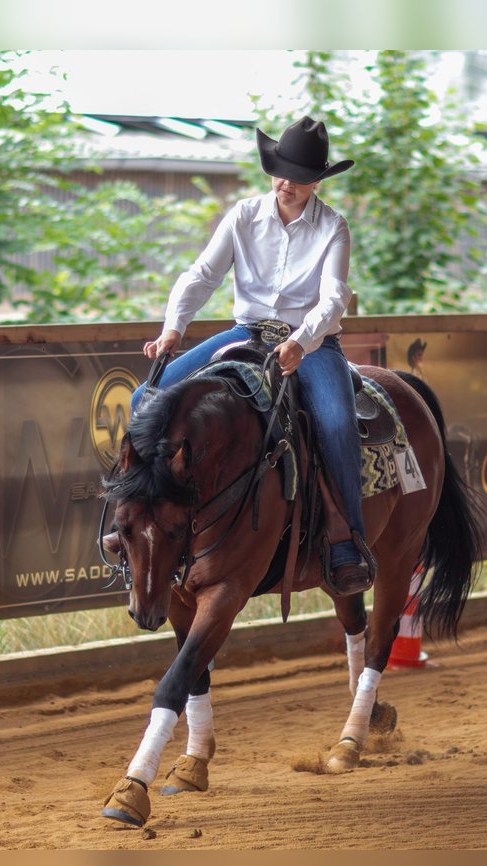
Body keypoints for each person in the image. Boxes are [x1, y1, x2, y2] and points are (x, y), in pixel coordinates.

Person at [130, 116, 372, 594]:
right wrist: (173, 330)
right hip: (245, 331)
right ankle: (140, 518)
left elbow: (333, 297)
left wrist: (301, 341)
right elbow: (201, 275)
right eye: (280, 171)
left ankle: (348, 541)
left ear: (317, 180)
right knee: (146, 396)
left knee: (339, 423)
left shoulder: (333, 227)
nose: (286, 182)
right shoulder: (243, 216)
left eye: (299, 175)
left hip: (311, 343)